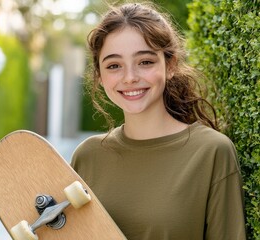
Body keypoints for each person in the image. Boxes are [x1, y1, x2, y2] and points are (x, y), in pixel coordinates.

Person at [70, 2, 246, 239]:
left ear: (170, 65)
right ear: (100, 76)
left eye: (145, 61)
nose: (130, 77)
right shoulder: (88, 156)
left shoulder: (211, 152)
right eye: (114, 65)